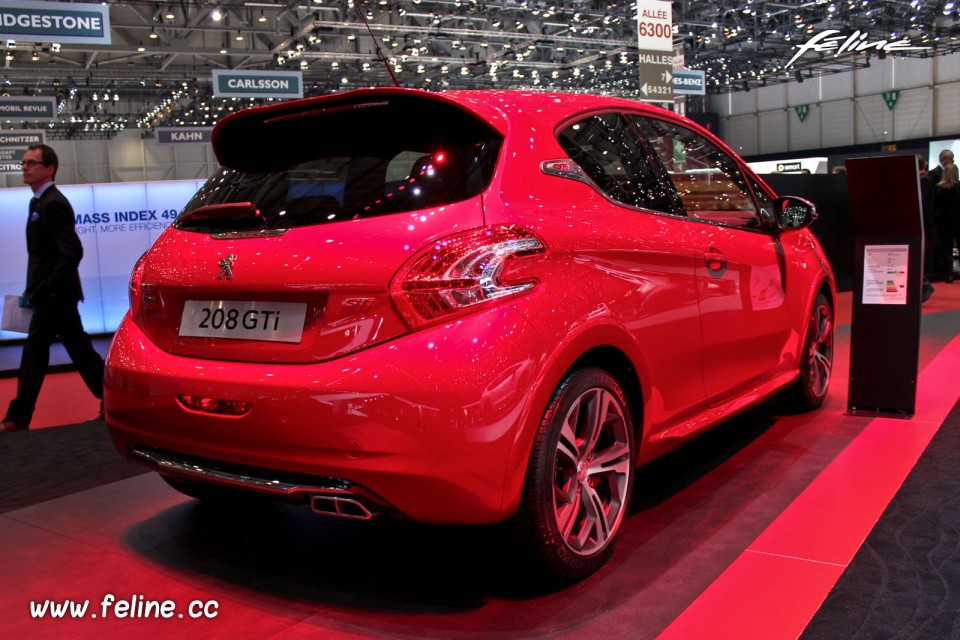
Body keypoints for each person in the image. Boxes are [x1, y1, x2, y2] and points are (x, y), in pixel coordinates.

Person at [0, 145, 105, 432]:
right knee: (79, 350)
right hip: (49, 294)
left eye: (32, 163)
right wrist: (34, 289)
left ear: (50, 169)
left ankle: (18, 418)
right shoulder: (38, 202)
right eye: (24, 163)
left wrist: (49, 290)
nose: (25, 167)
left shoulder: (52, 203)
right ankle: (113, 401)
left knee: (37, 352)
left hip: (53, 296)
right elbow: (44, 256)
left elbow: (71, 251)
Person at [933, 162, 960, 284]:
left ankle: (949, 274)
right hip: (958, 220)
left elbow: (935, 206)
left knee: (947, 248)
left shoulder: (938, 188)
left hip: (944, 221)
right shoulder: (959, 186)